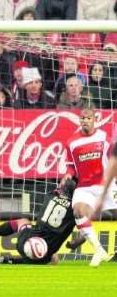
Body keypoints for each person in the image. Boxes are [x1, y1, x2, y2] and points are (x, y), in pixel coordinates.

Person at [0, 179, 77, 264]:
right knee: (53, 259)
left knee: (23, 221)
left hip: (27, 240)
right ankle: (12, 260)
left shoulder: (51, 195)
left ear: (61, 189)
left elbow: (60, 189)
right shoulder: (75, 209)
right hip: (46, 251)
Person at [60, 107, 114, 267]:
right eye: (82, 118)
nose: (85, 121)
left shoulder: (105, 138)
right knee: (78, 210)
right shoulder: (71, 142)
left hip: (106, 184)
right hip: (84, 186)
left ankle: (84, 238)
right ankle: (99, 250)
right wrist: (68, 175)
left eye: (88, 118)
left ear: (94, 120)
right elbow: (70, 166)